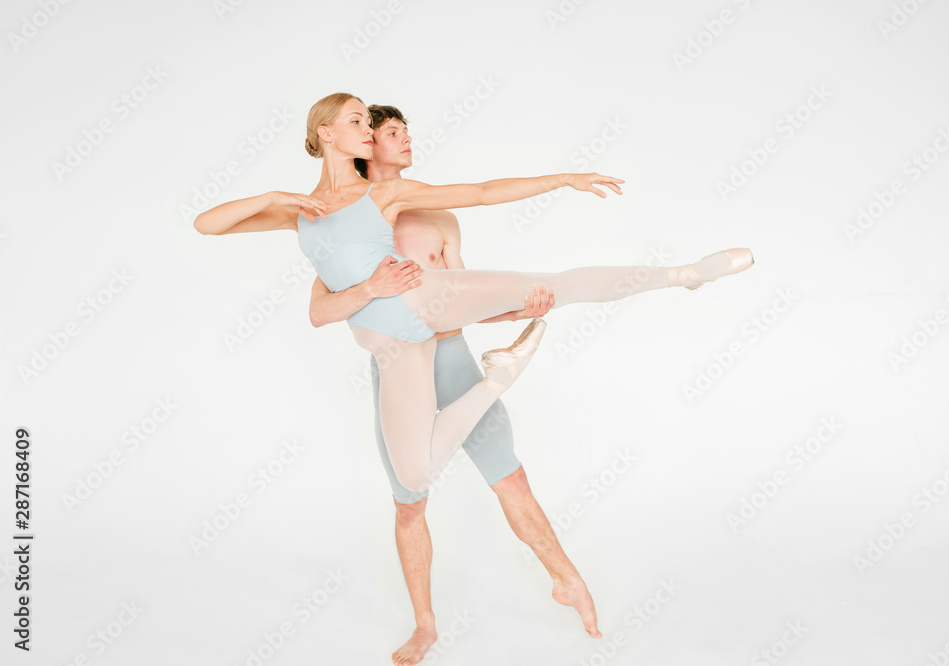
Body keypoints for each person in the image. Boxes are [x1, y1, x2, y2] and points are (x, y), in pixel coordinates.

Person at [193, 91, 753, 505]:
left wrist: (561, 179)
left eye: (370, 121)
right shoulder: (299, 211)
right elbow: (206, 225)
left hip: (422, 301)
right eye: (358, 121)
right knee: (415, 474)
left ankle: (685, 273)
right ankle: (499, 377)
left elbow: (482, 193)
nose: (369, 128)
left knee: (553, 286)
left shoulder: (384, 192)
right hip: (395, 344)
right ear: (326, 133)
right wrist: (271, 194)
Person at [308, 103, 600, 665]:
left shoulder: (438, 218)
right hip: (398, 370)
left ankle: (568, 581)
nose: (402, 138)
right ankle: (425, 628)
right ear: (365, 147)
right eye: (388, 132)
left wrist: (517, 309)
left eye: (401, 130)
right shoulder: (343, 224)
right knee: (410, 504)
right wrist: (370, 288)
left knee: (510, 478)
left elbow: (468, 291)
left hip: (453, 359)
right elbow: (322, 309)